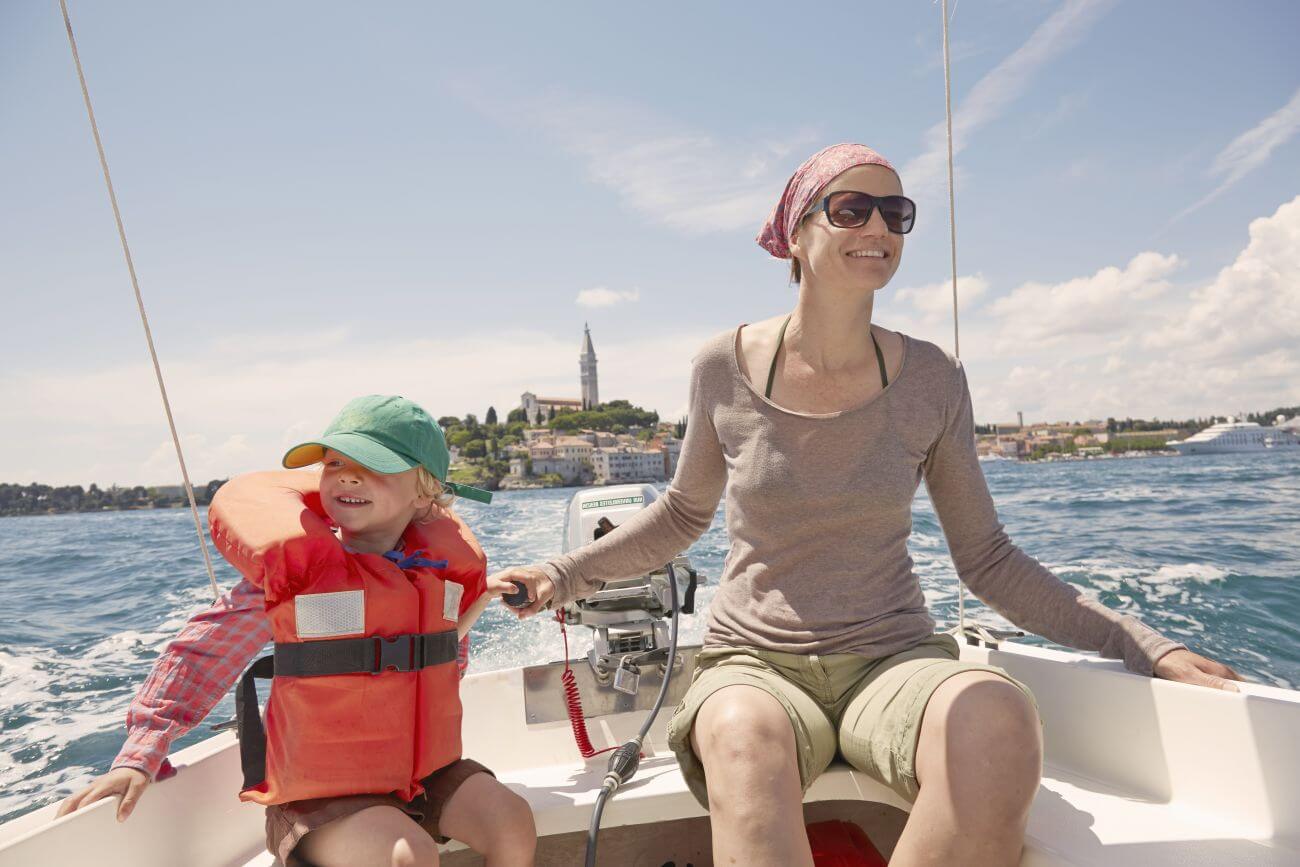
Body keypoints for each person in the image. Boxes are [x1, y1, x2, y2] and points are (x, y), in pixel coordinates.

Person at [486, 144, 1242, 867]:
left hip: (894, 658)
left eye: (895, 211)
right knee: (742, 739)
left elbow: (986, 557)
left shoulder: (934, 379)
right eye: (851, 208)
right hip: (755, 662)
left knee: (999, 720)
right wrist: (563, 575)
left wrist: (1145, 643)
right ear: (796, 232)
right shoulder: (722, 366)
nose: (878, 227)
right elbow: (685, 514)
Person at [59, 395, 536, 867]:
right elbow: (201, 656)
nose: (348, 476)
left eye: (375, 466)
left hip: (425, 774)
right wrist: (139, 754)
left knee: (512, 821)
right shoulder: (294, 576)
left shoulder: (441, 576)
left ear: (424, 490)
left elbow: (444, 660)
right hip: (321, 797)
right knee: (407, 856)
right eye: (334, 463)